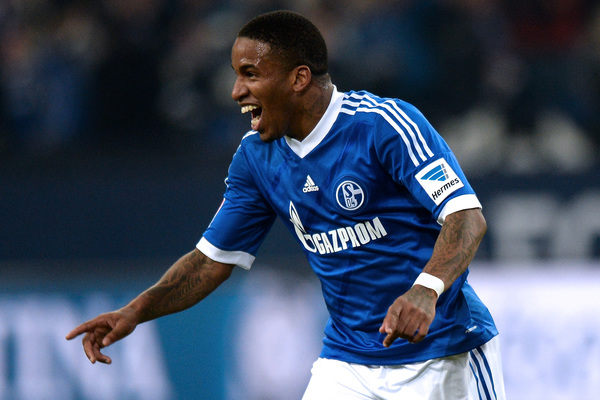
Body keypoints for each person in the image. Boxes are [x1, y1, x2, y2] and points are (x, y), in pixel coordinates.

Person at [67, 10, 506, 400]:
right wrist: (135, 311)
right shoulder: (256, 157)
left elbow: (466, 217)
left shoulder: (382, 126)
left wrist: (425, 290)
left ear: (298, 79)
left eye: (250, 74)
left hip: (443, 352)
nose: (236, 91)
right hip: (348, 363)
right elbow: (210, 262)